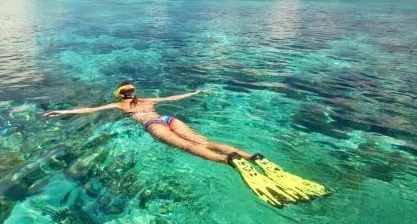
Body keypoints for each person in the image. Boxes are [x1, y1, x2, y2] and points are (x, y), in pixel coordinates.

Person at [44, 81, 328, 207]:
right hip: (164, 119)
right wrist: (63, 111)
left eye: (130, 90)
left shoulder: (127, 105)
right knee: (201, 141)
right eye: (127, 91)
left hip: (157, 122)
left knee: (191, 145)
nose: (130, 93)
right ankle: (244, 157)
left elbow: (174, 98)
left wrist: (194, 91)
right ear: (123, 93)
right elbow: (88, 110)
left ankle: (236, 160)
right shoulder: (132, 102)